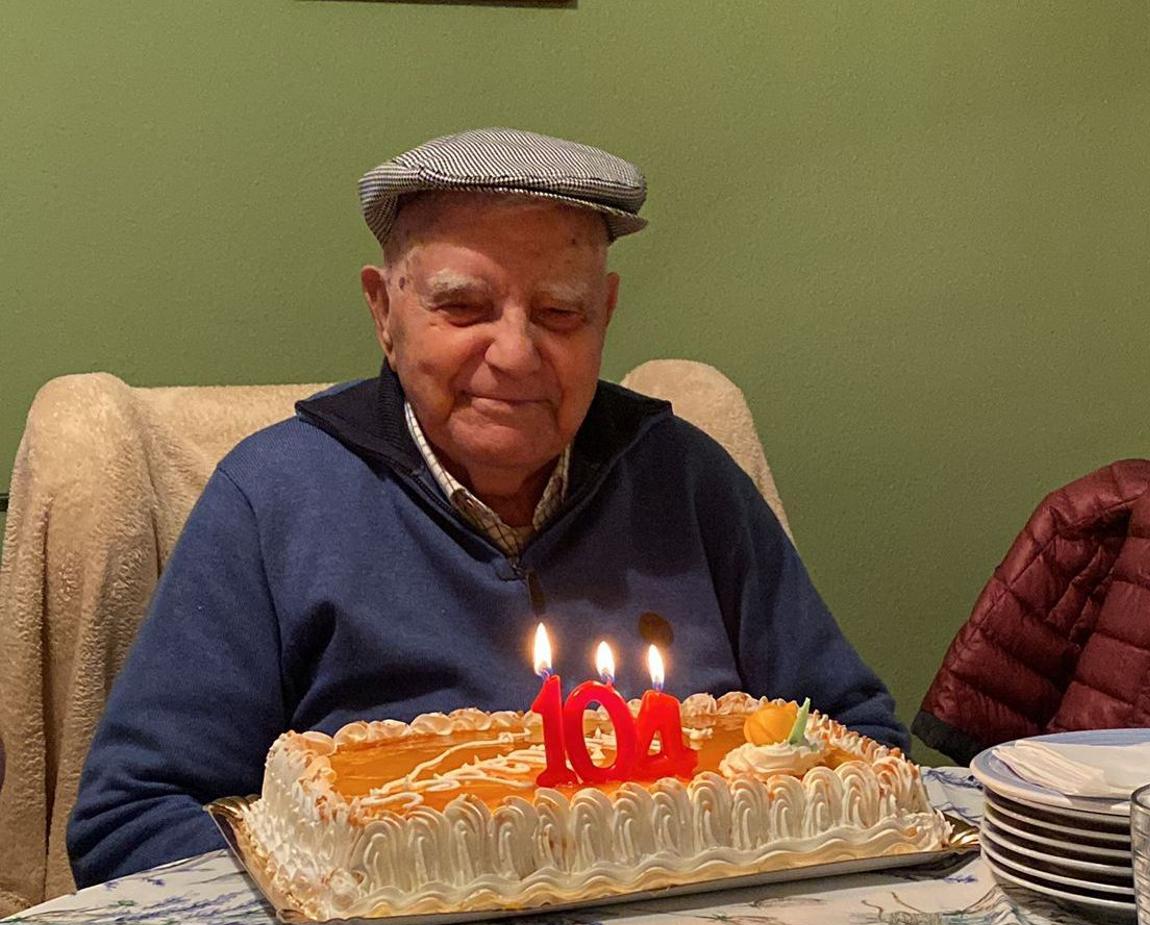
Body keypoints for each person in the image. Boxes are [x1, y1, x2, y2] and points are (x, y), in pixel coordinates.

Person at [68, 128, 906, 886]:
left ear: (605, 314)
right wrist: (329, 891)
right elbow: (131, 815)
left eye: (559, 312)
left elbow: (854, 738)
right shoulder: (273, 499)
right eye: (464, 306)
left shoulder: (688, 479)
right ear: (384, 312)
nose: (514, 353)